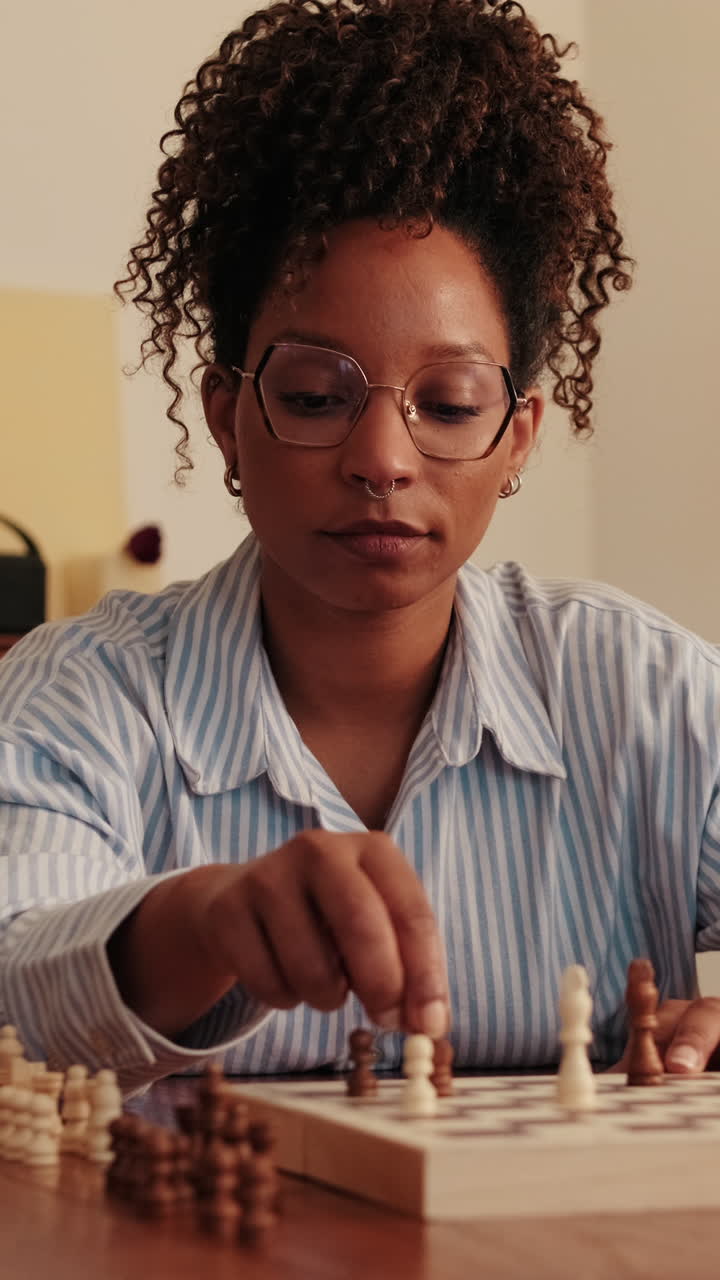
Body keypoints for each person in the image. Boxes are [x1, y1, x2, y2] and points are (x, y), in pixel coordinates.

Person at [1, 0, 719, 1096]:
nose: (382, 455)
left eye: (448, 400)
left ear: (517, 433)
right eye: (312, 393)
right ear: (227, 415)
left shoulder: (650, 694)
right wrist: (200, 924)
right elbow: (13, 970)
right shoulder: (80, 695)